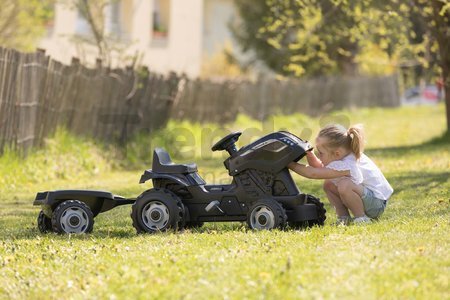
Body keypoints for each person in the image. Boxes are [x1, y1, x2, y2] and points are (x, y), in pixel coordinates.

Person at [288, 124, 393, 225]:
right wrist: (310, 155)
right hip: (368, 198)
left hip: (376, 205)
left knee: (344, 185)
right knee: (328, 184)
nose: (318, 156)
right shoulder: (341, 156)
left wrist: (289, 163)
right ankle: (344, 218)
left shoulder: (347, 164)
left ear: (337, 153)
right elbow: (319, 168)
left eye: (320, 153)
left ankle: (361, 218)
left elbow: (314, 174)